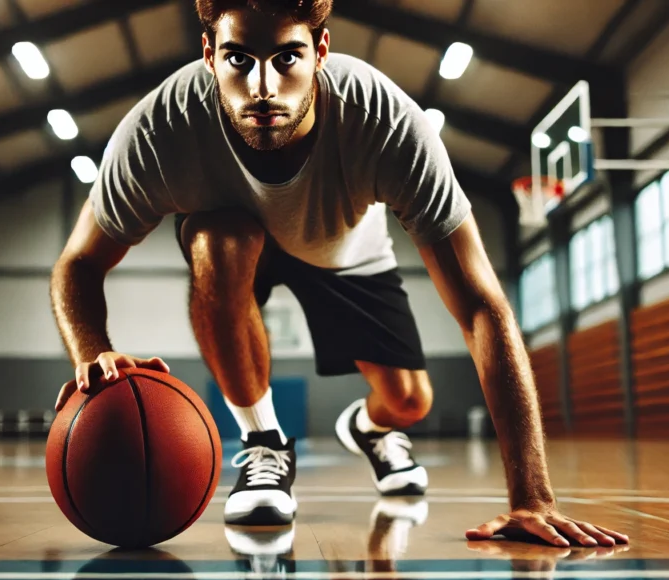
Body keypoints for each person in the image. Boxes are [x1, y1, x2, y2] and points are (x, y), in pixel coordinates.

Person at [50, 0, 628, 548]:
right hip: (234, 240)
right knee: (217, 242)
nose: (262, 88)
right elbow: (78, 262)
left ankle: (372, 429)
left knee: (408, 401)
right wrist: (92, 350)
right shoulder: (160, 129)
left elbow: (482, 306)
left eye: (286, 58)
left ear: (321, 49)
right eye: (238, 60)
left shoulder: (386, 123)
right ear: (208, 53)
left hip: (346, 251)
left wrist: (532, 498)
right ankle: (262, 442)